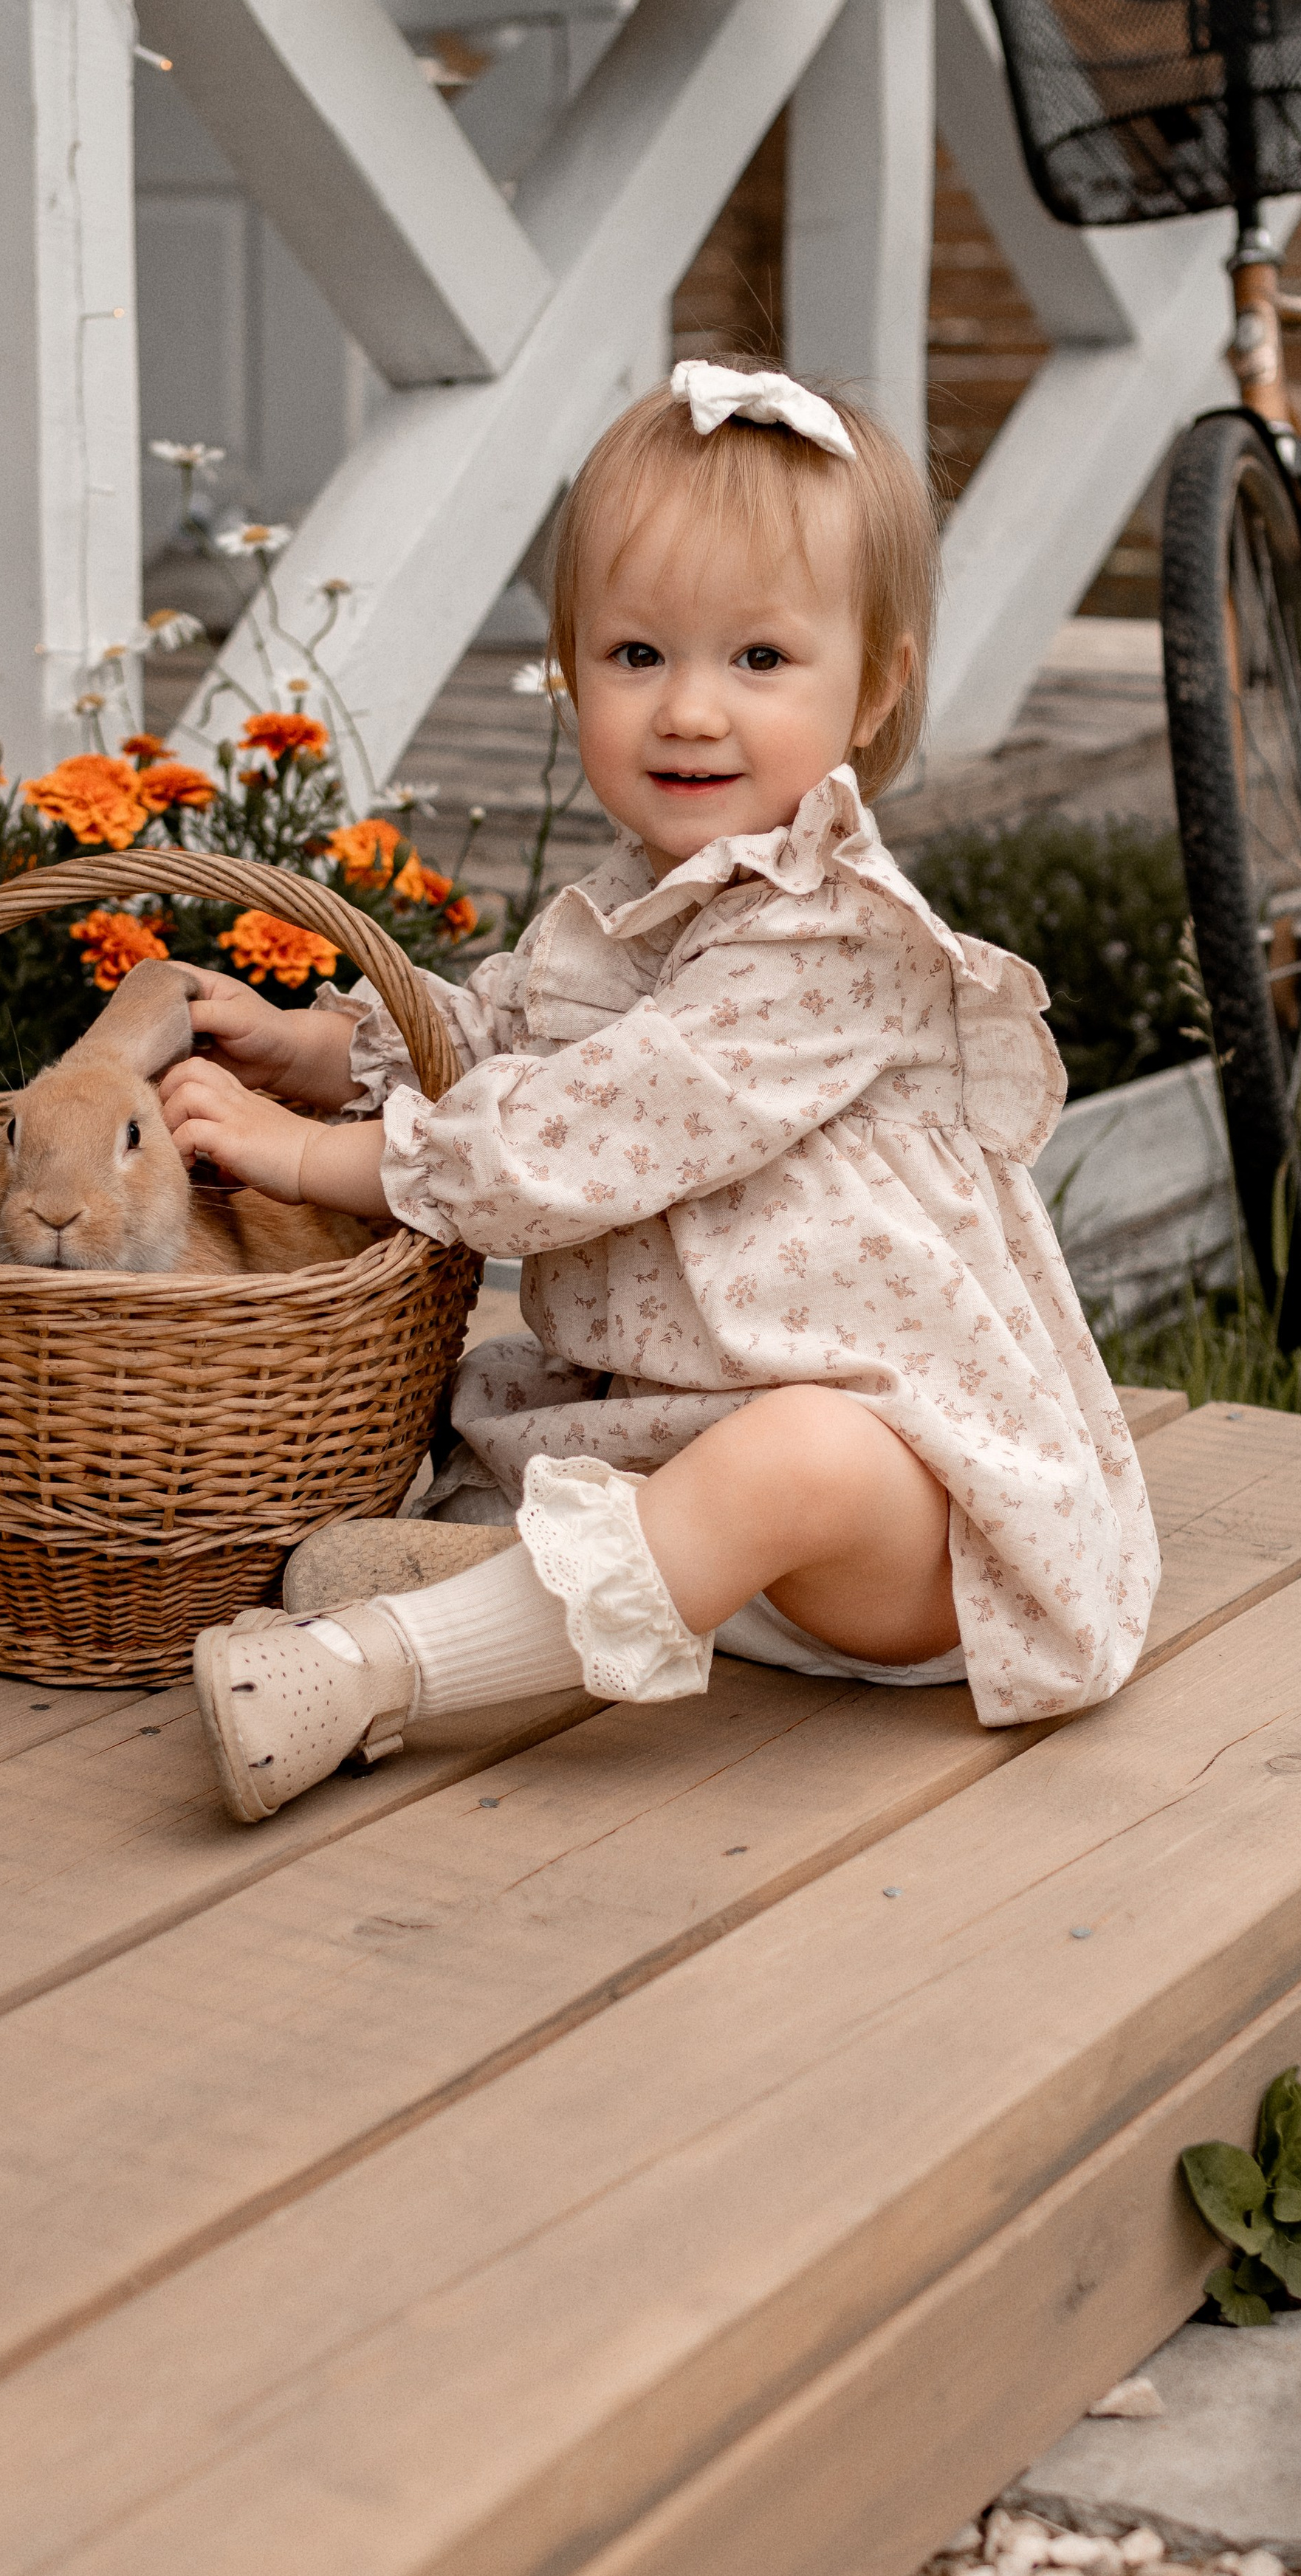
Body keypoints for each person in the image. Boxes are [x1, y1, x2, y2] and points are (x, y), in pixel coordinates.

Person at [159, 359, 1161, 1821]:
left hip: (907, 1519)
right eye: (637, 655)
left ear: (874, 685)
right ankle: (554, 1589)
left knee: (800, 1454)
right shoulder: (635, 902)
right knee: (527, 1417)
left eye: (758, 658)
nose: (688, 710)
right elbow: (503, 1031)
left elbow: (589, 1126)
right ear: (572, 669)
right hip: (677, 1437)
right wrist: (330, 1050)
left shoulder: (833, 937)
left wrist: (320, 1160)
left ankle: (381, 1671)